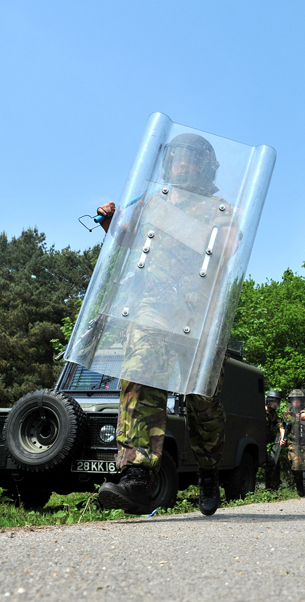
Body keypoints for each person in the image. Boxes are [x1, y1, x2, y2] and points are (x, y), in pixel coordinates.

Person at [96, 133, 232, 517]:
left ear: (206, 166)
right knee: (138, 373)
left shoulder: (222, 209)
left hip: (198, 313)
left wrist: (173, 220)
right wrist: (114, 223)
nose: (183, 165)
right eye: (177, 159)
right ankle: (138, 476)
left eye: (191, 160)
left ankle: (208, 470)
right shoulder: (154, 201)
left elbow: (227, 247)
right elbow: (125, 240)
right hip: (153, 304)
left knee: (202, 403)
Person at [283, 389, 305, 497]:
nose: (296, 402)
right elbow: (294, 419)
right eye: (294, 400)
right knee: (296, 464)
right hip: (293, 442)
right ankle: (299, 486)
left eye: (298, 399)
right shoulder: (287, 412)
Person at [264, 390, 285, 490]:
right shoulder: (259, 411)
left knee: (272, 463)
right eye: (274, 401)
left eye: (277, 402)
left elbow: (281, 426)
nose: (276, 404)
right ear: (268, 401)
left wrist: (282, 439)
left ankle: (270, 487)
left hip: (262, 443)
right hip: (255, 441)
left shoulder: (273, 414)